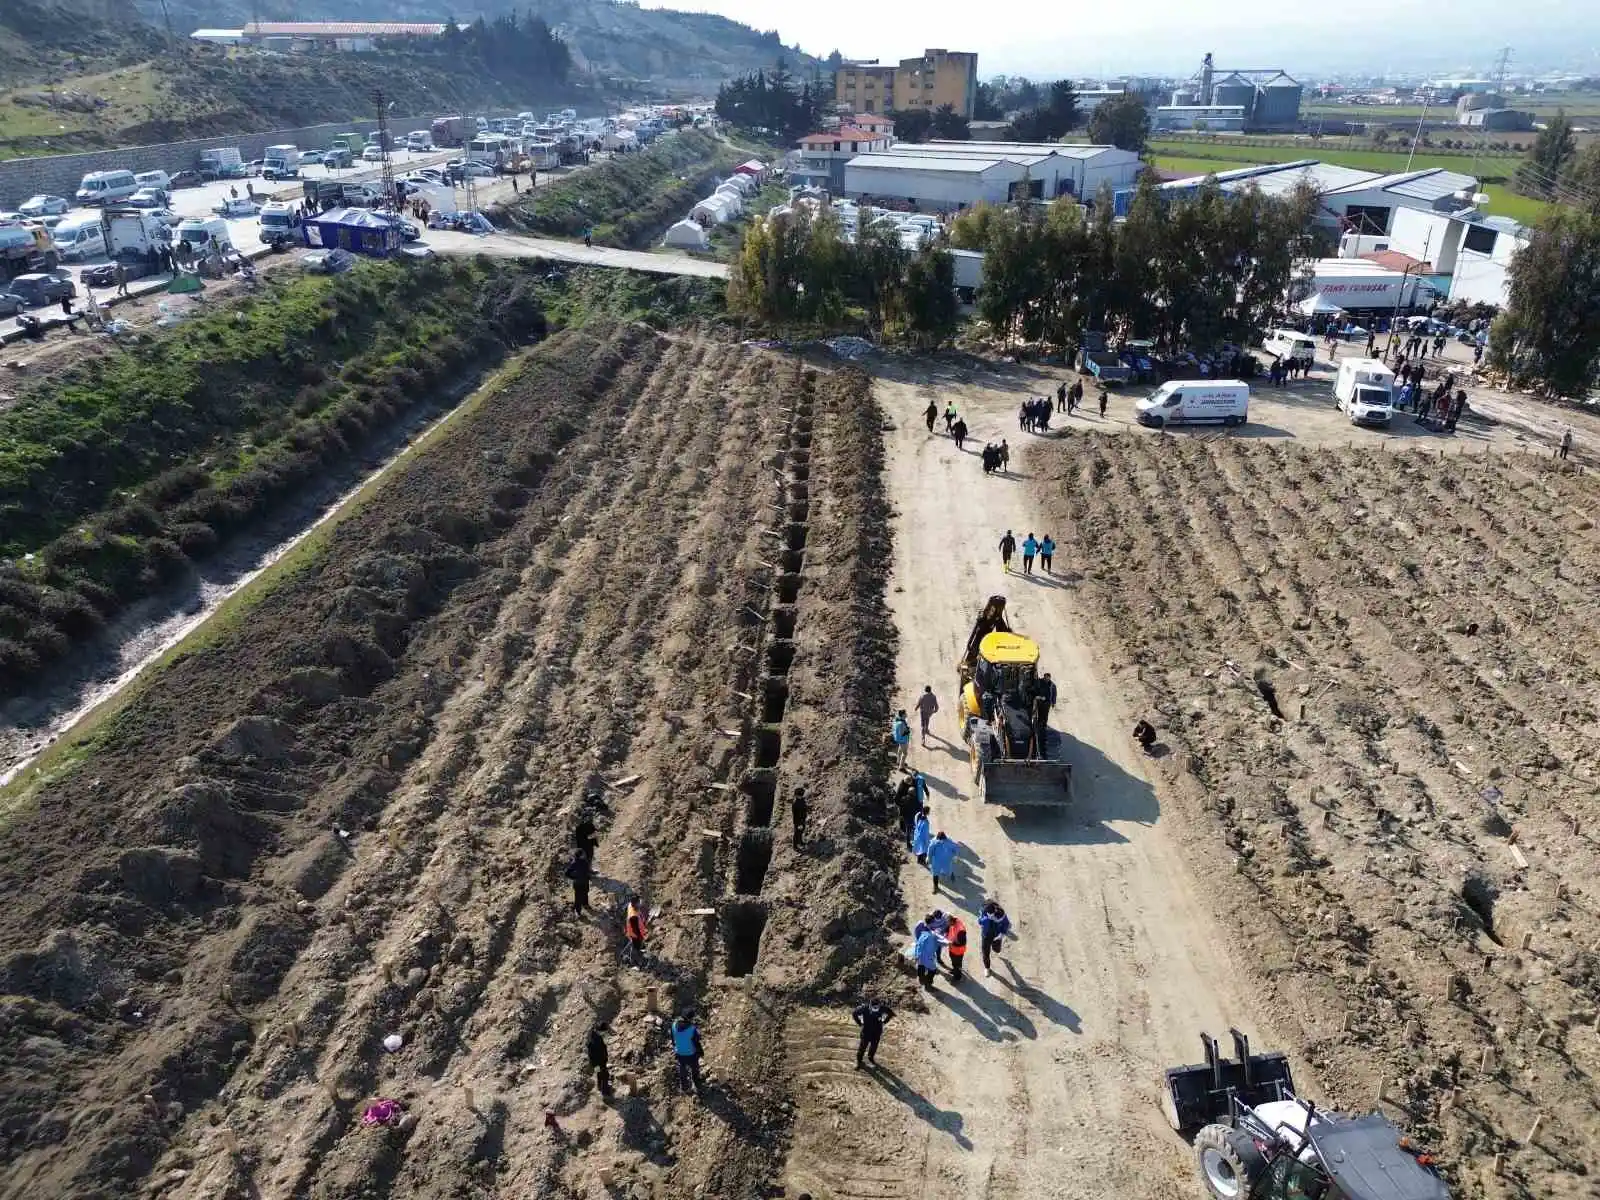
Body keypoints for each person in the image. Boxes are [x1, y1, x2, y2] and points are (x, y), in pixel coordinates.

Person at [853, 997, 893, 1067]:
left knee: (874, 1047)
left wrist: (884, 1022)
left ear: (879, 1005)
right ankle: (859, 1060)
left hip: (877, 1032)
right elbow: (854, 1013)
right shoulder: (864, 1008)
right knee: (862, 1047)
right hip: (866, 1032)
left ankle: (870, 1057)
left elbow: (891, 1013)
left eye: (876, 1007)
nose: (875, 1008)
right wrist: (860, 1023)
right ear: (870, 1005)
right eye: (873, 1007)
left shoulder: (882, 1008)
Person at [671, 1011, 705, 1095]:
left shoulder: (674, 1025)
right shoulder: (692, 1029)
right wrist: (701, 1052)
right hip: (691, 1054)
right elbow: (696, 1043)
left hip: (679, 1053)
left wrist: (676, 1047)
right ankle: (696, 1085)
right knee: (694, 1069)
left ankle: (684, 1087)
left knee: (682, 1069)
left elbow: (673, 1039)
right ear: (690, 1018)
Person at [978, 900, 1012, 977]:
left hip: (996, 937)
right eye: (988, 913)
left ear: (995, 911)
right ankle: (987, 968)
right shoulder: (983, 911)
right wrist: (986, 919)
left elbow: (1006, 924)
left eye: (991, 913)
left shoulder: (1001, 914)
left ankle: (997, 949)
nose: (989, 915)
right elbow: (979, 921)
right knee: (985, 953)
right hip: (985, 936)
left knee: (997, 950)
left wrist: (1002, 935)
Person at [912, 922, 947, 989]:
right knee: (932, 970)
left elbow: (918, 944)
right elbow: (942, 943)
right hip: (927, 957)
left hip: (919, 955)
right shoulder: (933, 937)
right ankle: (928, 985)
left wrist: (917, 955)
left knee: (921, 966)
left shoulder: (923, 934)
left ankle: (921, 979)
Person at [587, 1023, 614, 1098]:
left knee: (599, 1074)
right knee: (605, 1075)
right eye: (604, 1031)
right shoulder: (596, 1041)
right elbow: (599, 1054)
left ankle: (599, 1086)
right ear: (600, 1031)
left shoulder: (593, 1034)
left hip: (594, 1063)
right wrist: (604, 1060)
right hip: (599, 1062)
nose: (605, 1033)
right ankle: (605, 1093)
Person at [565, 848, 593, 915]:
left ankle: (580, 910)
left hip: (577, 883)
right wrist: (588, 877)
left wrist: (573, 878)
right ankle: (581, 908)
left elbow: (567, 873)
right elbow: (587, 872)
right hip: (584, 882)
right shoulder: (585, 862)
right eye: (583, 854)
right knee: (583, 894)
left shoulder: (574, 863)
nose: (584, 855)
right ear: (581, 855)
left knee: (578, 896)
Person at [623, 895, 648, 965]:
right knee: (635, 947)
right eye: (638, 902)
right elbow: (635, 930)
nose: (640, 903)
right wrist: (641, 936)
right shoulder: (633, 916)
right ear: (635, 904)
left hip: (632, 931)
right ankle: (633, 961)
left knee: (633, 944)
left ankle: (627, 954)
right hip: (635, 934)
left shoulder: (630, 905)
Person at [946, 914, 969, 981]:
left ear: (951, 921)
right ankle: (955, 970)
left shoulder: (961, 930)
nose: (948, 925)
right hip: (952, 949)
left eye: (948, 923)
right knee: (953, 962)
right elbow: (950, 930)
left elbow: (962, 943)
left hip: (958, 951)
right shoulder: (953, 923)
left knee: (958, 964)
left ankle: (958, 977)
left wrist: (952, 943)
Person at [790, 785, 809, 850]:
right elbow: (795, 815)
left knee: (801, 831)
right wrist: (798, 823)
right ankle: (795, 846)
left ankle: (800, 842)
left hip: (802, 819)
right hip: (798, 821)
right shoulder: (795, 803)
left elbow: (804, 807)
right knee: (797, 833)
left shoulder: (801, 800)